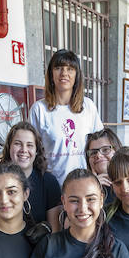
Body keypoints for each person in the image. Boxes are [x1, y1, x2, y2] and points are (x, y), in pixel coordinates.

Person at [29, 49, 103, 185]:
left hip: (85, 184)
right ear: (51, 74)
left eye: (70, 69)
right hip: (52, 185)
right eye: (58, 68)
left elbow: (99, 146)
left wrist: (97, 176)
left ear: (77, 75)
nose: (64, 73)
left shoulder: (88, 106)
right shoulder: (39, 109)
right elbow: (33, 152)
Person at [0, 121, 61, 232]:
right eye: (18, 143)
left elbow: (55, 232)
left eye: (30, 145)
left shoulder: (49, 182)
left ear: (36, 150)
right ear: (9, 147)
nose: (24, 150)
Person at [85, 127, 121, 206]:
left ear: (117, 151)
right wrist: (92, 187)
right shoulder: (82, 185)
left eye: (105, 150)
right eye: (93, 152)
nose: (98, 155)